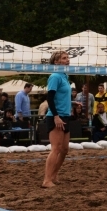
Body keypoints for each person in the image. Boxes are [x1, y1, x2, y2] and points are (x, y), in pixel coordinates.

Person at [43, 51, 72, 188]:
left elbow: (61, 96)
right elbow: (50, 97)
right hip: (56, 116)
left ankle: (54, 175)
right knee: (56, 148)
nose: (67, 60)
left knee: (65, 149)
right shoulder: (55, 76)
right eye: (64, 58)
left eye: (67, 58)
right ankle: (47, 180)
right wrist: (56, 116)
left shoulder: (65, 76)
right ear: (56, 62)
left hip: (65, 115)